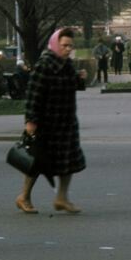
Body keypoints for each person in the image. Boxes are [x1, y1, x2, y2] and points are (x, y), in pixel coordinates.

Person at [17, 27, 88, 214]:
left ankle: (61, 198)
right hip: (47, 124)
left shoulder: (67, 64)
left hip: (66, 122)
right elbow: (33, 95)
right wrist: (31, 122)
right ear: (56, 44)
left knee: (68, 162)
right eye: (64, 45)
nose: (68, 49)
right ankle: (23, 196)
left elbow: (72, 86)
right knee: (37, 162)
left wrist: (80, 79)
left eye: (70, 46)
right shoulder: (45, 64)